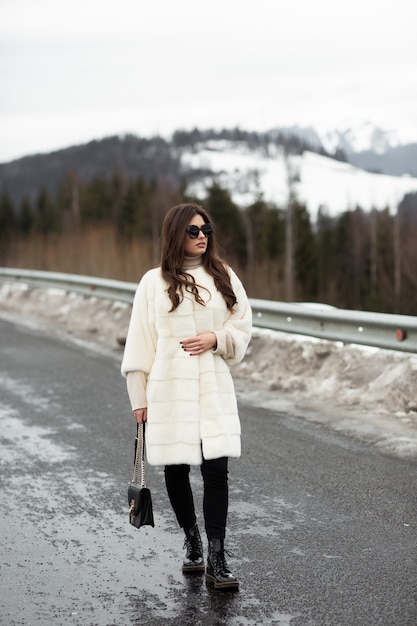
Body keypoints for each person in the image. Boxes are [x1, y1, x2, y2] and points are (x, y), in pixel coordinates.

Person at [121, 202, 252, 591]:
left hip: (212, 386)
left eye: (205, 230)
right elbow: (140, 343)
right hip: (167, 388)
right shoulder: (152, 283)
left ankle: (217, 556)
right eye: (193, 231)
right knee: (176, 468)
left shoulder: (223, 275)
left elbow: (241, 325)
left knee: (217, 470)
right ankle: (192, 539)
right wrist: (138, 397)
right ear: (175, 235)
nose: (201, 237)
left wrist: (217, 338)